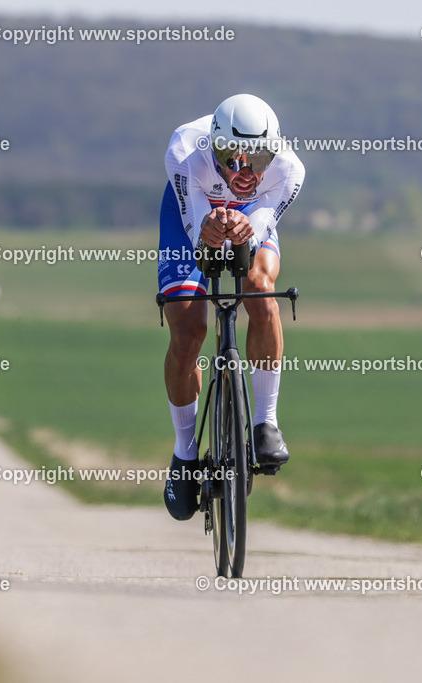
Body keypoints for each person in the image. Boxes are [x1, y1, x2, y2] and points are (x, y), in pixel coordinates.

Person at [158, 93, 305, 520]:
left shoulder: (288, 170)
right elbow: (195, 226)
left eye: (256, 158)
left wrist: (245, 229)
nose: (243, 170)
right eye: (230, 156)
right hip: (192, 207)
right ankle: (185, 453)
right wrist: (212, 227)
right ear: (213, 146)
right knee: (188, 331)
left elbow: (263, 222)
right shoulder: (186, 152)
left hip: (253, 213)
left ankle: (266, 420)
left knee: (259, 289)